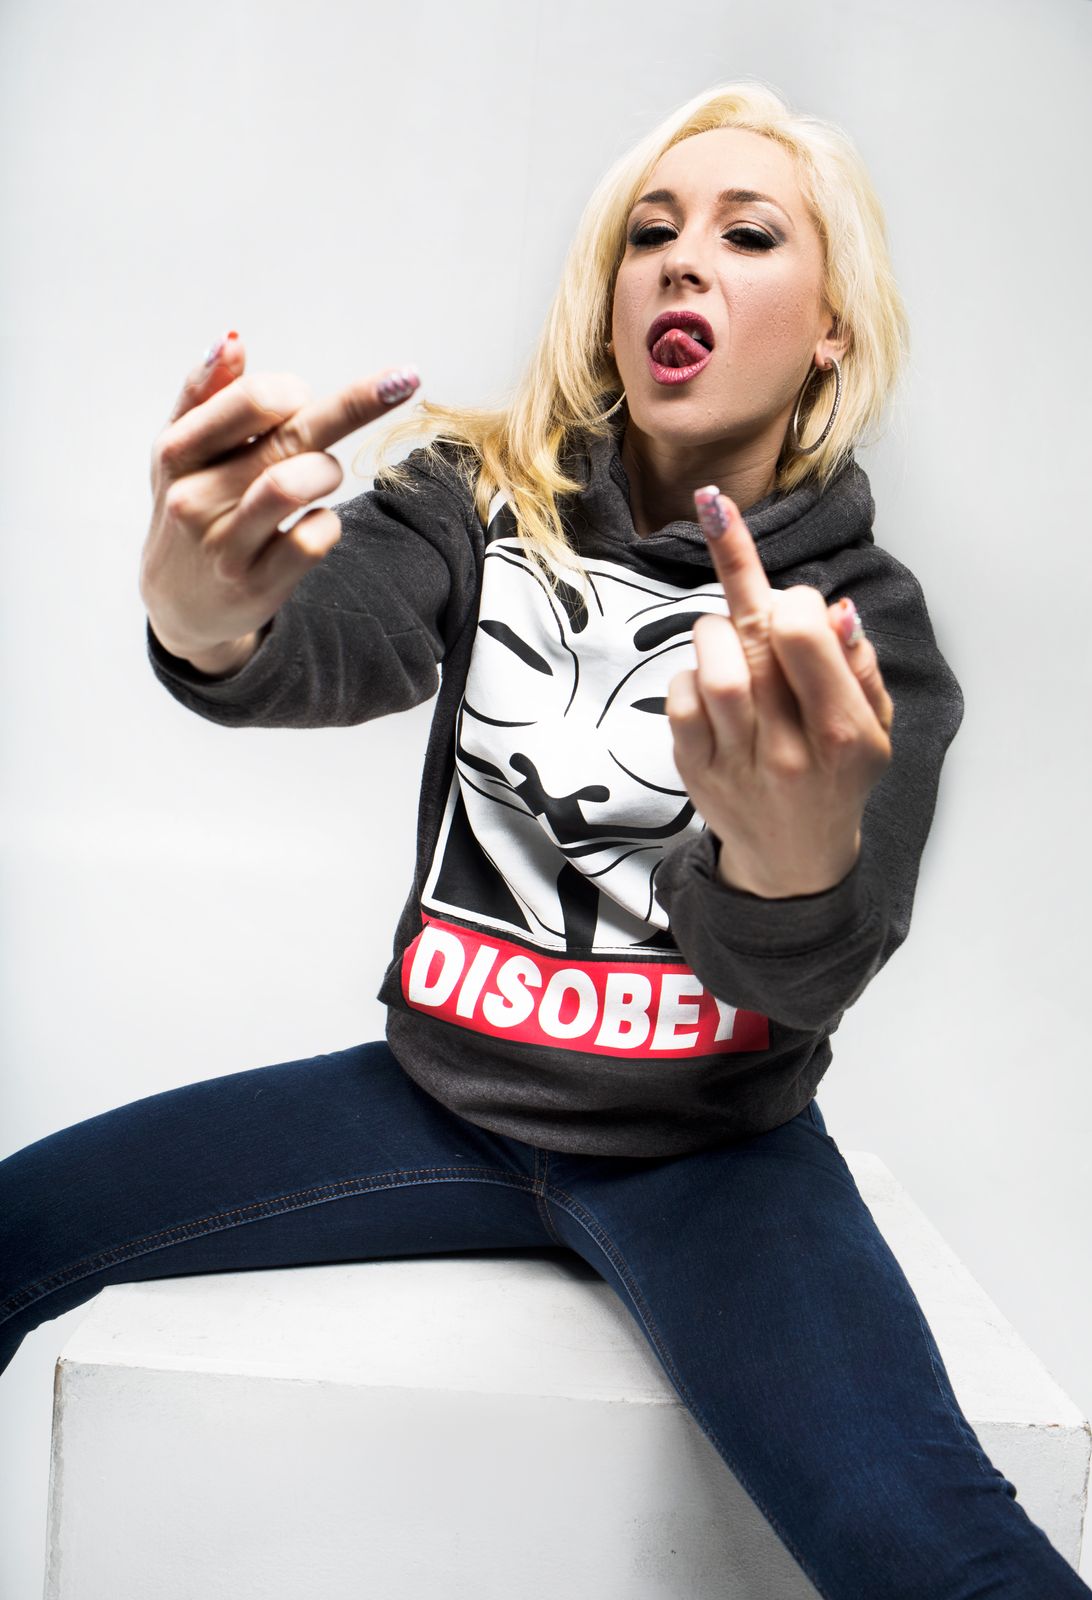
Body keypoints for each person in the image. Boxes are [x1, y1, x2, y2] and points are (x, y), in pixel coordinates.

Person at [1, 79, 1087, 1599]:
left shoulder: (864, 633)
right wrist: (208, 615)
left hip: (712, 1162)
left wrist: (787, 863)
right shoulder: (479, 500)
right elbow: (329, 638)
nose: (682, 259)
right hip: (433, 1102)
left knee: (946, 1558)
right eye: (650, 231)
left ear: (832, 329)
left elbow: (813, 967)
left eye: (749, 235)